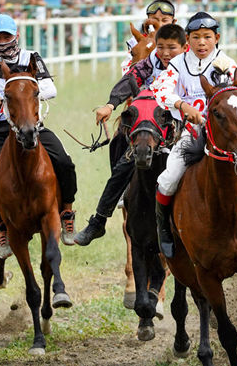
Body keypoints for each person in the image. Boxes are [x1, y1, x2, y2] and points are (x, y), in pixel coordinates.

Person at [149, 12, 237, 257]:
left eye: (207, 37)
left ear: (216, 38)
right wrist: (182, 106)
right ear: (187, 39)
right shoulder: (177, 64)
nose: (201, 43)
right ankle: (164, 231)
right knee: (168, 178)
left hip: (228, 135)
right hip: (190, 134)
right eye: (196, 37)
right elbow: (160, 91)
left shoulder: (229, 64)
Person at [0, 14, 78, 257]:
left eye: (7, 35)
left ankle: (66, 212)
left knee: (64, 161)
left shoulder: (31, 58)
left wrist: (23, 93)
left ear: (16, 35)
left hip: (31, 126)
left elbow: (49, 88)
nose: (3, 41)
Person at [75, 24, 188, 244]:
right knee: (124, 163)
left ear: (184, 47)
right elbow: (130, 79)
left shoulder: (191, 63)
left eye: (171, 48)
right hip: (154, 128)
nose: (165, 53)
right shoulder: (151, 62)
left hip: (186, 128)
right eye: (161, 47)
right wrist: (110, 104)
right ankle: (99, 221)